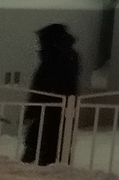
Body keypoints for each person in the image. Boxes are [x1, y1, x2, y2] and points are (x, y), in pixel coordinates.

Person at [21, 22, 79, 166]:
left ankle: (47, 168)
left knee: (49, 141)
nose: (39, 43)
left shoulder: (56, 57)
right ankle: (48, 166)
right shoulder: (64, 55)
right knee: (47, 141)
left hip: (53, 106)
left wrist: (32, 108)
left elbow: (43, 84)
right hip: (55, 106)